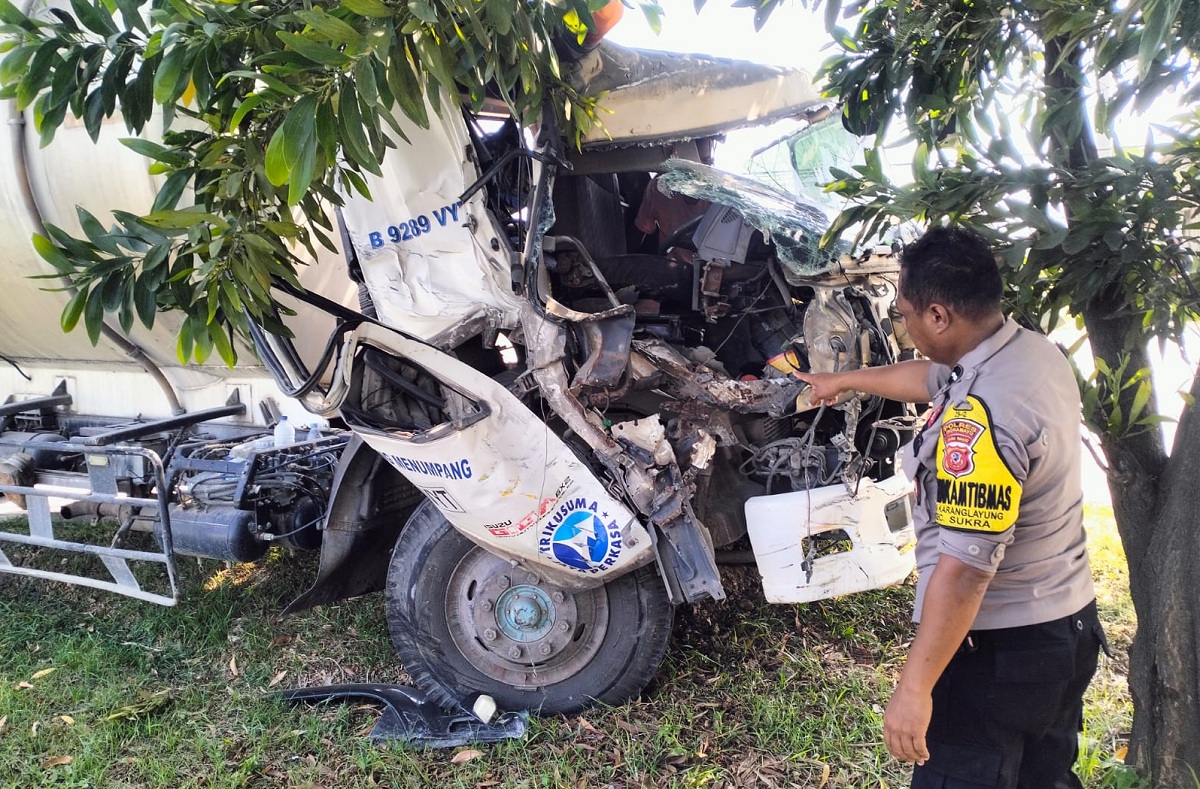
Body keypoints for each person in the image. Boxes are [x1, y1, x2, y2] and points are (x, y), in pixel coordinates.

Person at [793, 226, 1105, 788]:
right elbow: (930, 377)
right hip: (1064, 628)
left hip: (1002, 656)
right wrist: (841, 380)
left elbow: (965, 571)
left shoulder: (983, 421)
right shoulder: (1026, 353)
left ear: (939, 315)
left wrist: (914, 687)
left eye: (906, 314)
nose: (903, 324)